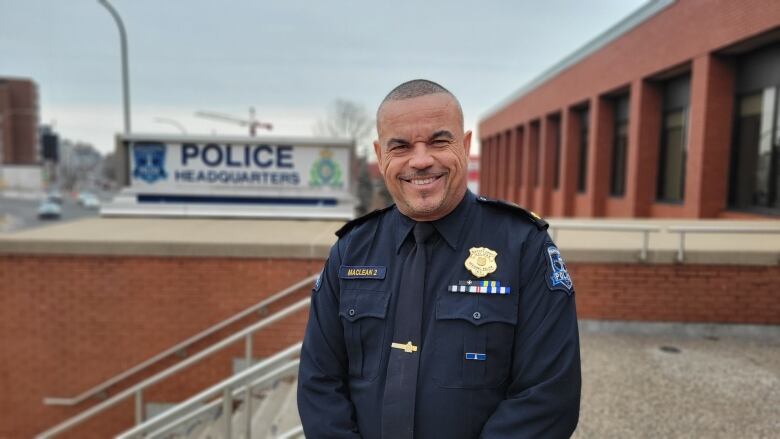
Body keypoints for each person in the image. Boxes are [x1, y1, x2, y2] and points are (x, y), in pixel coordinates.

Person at [297, 79, 580, 439]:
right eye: (399, 146)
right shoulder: (351, 251)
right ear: (380, 154)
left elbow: (548, 397)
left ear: (464, 145)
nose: (420, 160)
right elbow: (319, 383)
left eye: (438, 141)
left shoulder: (523, 246)